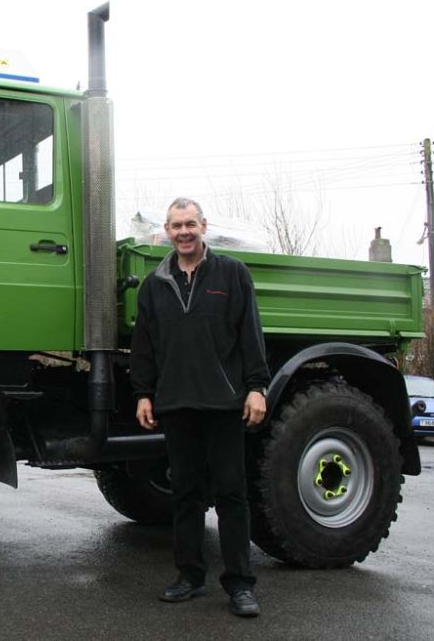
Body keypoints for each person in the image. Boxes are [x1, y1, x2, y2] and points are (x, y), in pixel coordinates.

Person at [131, 197, 270, 618]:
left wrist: (256, 387)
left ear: (203, 226)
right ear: (167, 232)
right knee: (186, 495)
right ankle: (189, 577)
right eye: (176, 226)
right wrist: (143, 392)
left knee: (231, 494)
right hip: (176, 405)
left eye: (190, 224)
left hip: (224, 404)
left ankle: (240, 586)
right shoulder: (154, 285)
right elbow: (145, 346)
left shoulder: (231, 274)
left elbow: (250, 333)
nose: (184, 232)